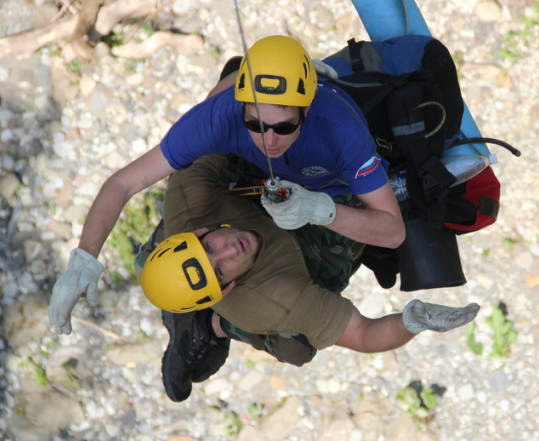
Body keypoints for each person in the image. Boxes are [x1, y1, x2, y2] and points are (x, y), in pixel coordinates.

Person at [49, 34, 407, 333]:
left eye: (284, 127)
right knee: (152, 267)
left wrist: (319, 209)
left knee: (293, 318)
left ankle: (218, 328)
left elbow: (392, 232)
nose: (269, 140)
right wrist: (84, 260)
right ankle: (202, 324)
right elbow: (124, 183)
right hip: (249, 187)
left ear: (306, 110)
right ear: (241, 103)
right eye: (255, 124)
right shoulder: (218, 117)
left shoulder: (340, 130)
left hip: (329, 194)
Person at [133, 155, 479, 402]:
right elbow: (362, 334)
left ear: (202, 230)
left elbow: (211, 121)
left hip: (246, 199)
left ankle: (161, 260)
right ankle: (211, 327)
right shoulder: (270, 299)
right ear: (227, 287)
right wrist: (412, 323)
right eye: (220, 270)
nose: (230, 251)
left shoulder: (190, 196)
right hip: (291, 262)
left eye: (209, 247)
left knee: (144, 264)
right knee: (296, 347)